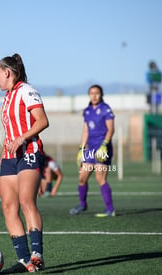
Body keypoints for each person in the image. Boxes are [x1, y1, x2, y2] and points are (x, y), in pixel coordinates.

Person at [0, 53, 49, 273]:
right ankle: (24, 260)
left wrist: (23, 138)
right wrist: (1, 160)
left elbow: (43, 120)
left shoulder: (26, 90)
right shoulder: (7, 97)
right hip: (9, 157)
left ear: (7, 73)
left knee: (27, 201)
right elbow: (9, 133)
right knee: (9, 207)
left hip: (29, 152)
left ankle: (36, 255)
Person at [69, 84, 116, 217]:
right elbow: (85, 131)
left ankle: (110, 209)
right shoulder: (87, 111)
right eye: (91, 93)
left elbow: (111, 129)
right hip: (90, 149)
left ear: (101, 95)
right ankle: (82, 205)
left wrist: (104, 144)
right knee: (82, 177)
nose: (94, 96)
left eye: (97, 93)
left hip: (103, 148)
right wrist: (81, 149)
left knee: (100, 177)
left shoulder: (106, 109)